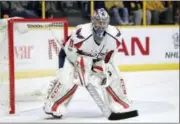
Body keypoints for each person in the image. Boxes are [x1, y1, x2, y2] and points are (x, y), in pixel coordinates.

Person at [43, 8, 138, 119]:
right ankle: (53, 104)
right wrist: (77, 68)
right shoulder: (81, 34)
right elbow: (66, 52)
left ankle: (120, 103)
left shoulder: (114, 36)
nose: (101, 25)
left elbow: (109, 58)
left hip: (97, 60)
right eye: (99, 22)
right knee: (67, 81)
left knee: (114, 76)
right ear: (93, 21)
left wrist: (101, 69)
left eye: (104, 22)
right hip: (74, 60)